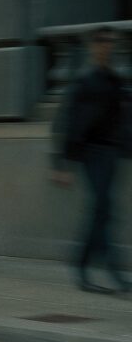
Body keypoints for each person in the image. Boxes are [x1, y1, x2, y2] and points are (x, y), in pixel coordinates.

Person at [52, 27, 132, 294]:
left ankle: (82, 265)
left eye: (109, 42)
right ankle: (111, 268)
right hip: (90, 153)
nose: (105, 47)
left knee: (102, 210)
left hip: (110, 154)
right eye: (101, 43)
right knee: (103, 205)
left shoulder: (116, 82)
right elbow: (67, 123)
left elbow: (124, 121)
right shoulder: (85, 84)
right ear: (93, 47)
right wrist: (62, 165)